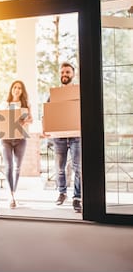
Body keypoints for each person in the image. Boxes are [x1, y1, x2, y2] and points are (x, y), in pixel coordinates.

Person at [51, 62, 82, 212]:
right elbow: (48, 113)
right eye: (62, 72)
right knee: (60, 168)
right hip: (59, 137)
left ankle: (77, 197)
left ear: (73, 74)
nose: (64, 75)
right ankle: (62, 193)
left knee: (78, 168)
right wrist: (46, 128)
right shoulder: (54, 94)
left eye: (67, 72)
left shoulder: (79, 92)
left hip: (76, 135)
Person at [0, 80, 33, 208]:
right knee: (9, 166)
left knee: (17, 167)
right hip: (6, 139)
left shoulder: (25, 104)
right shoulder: (4, 104)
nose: (17, 90)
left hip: (20, 138)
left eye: (19, 88)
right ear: (11, 89)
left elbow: (31, 119)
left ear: (22, 91)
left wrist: (26, 121)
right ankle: (10, 195)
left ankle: (14, 193)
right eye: (15, 87)